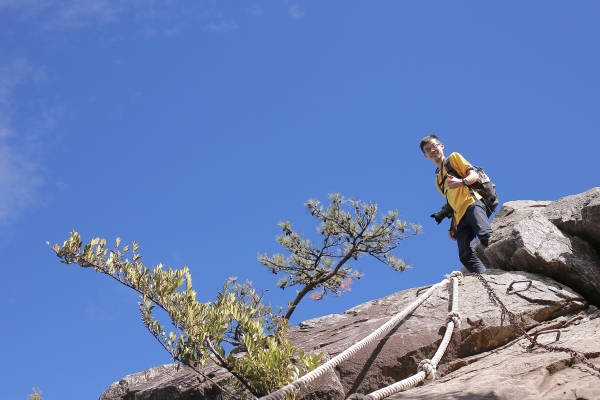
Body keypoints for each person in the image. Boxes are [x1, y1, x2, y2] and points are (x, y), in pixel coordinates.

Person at [420, 134, 492, 273]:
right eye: (427, 150)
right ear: (425, 156)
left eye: (434, 146)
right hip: (459, 218)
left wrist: (462, 182)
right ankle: (487, 277)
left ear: (442, 145)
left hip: (471, 203)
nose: (431, 150)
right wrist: (452, 225)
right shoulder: (438, 181)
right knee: (465, 255)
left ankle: (504, 267)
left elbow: (474, 175)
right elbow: (452, 202)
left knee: (485, 236)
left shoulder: (454, 158)